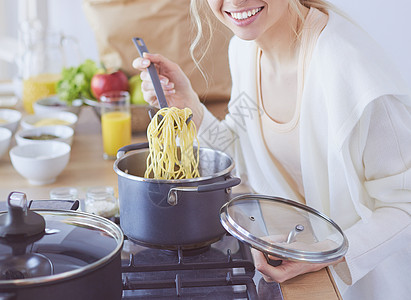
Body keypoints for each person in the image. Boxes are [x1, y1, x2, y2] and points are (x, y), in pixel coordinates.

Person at [133, 0, 411, 299]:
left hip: (362, 282)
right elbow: (244, 150)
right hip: (294, 269)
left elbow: (404, 204)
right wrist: (191, 109)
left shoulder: (351, 71)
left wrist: (323, 254)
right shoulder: (246, 49)